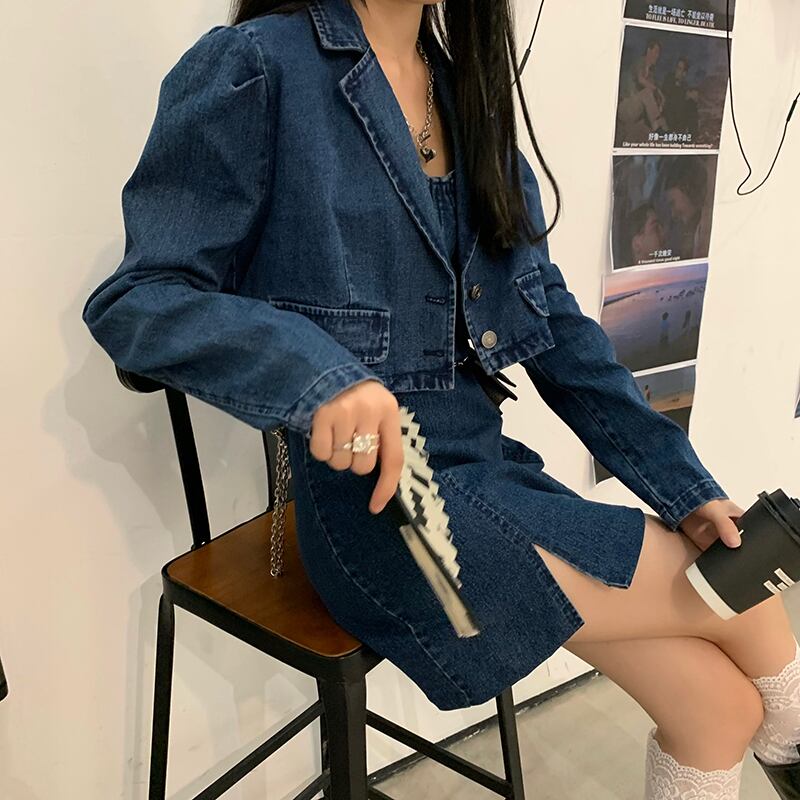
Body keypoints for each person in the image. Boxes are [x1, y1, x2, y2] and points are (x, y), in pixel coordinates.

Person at [81, 1, 800, 797]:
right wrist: (319, 376)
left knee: (721, 709)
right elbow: (142, 298)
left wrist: (683, 488)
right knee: (749, 602)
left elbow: (554, 325)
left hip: (487, 472)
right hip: (377, 510)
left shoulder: (468, 97)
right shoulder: (256, 67)